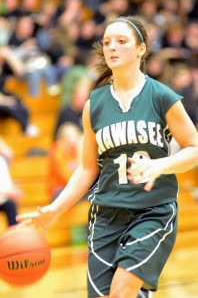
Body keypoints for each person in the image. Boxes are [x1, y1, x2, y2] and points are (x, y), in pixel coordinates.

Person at [16, 16, 198, 298]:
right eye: (107, 42)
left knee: (120, 293)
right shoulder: (95, 104)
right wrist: (56, 208)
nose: (112, 47)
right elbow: (87, 169)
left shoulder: (162, 96)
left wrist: (159, 165)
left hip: (153, 211)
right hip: (105, 215)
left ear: (141, 49)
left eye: (121, 41)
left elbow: (194, 148)